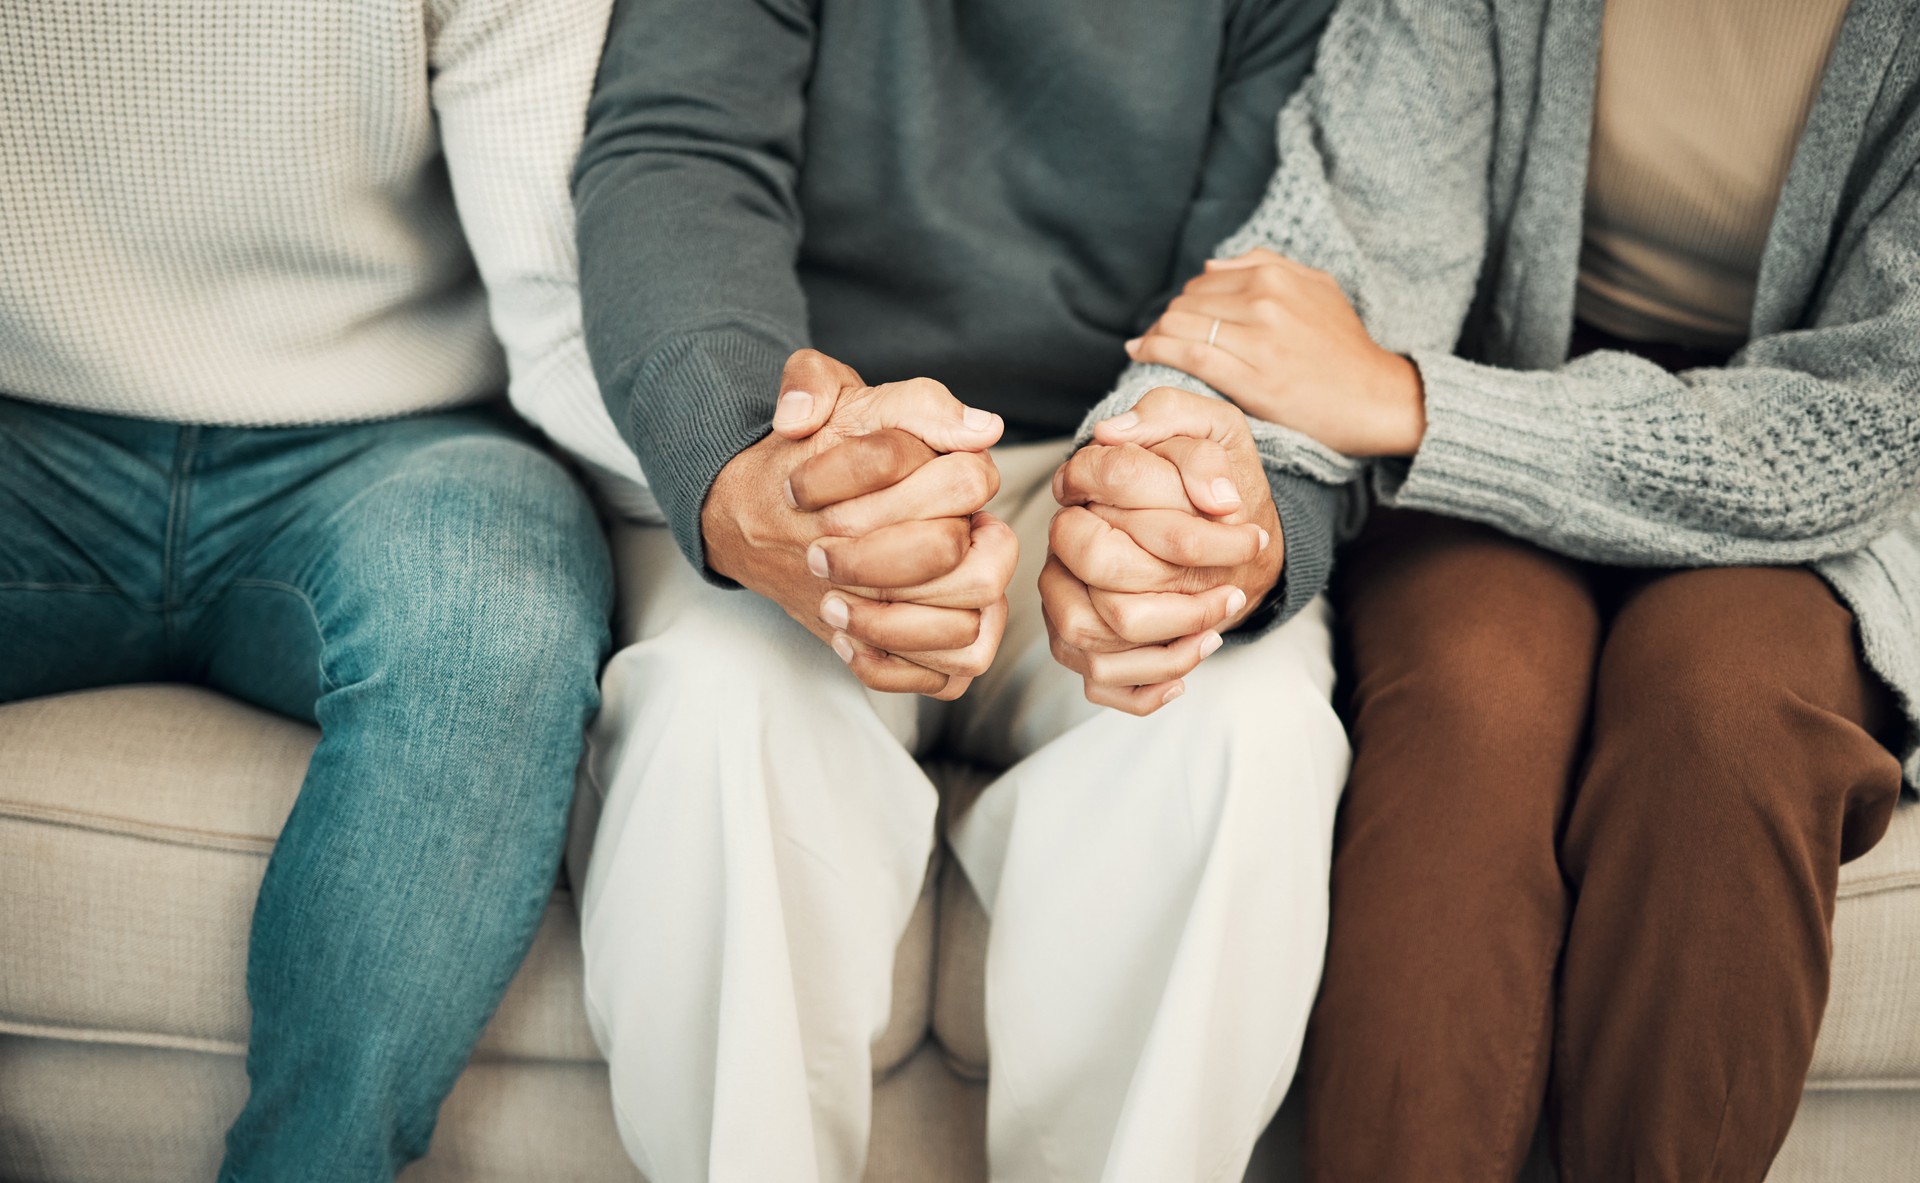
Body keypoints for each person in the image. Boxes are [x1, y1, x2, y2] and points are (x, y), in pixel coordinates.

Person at [1119, 0, 1920, 1178]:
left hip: (1794, 505)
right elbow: (1338, 277)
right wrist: (1154, 481)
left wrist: (1415, 402)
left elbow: (1869, 420)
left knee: (1729, 716)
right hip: (1475, 446)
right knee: (1473, 698)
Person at [567, 0, 1353, 1179]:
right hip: (806, 427)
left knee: (1249, 730)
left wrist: (1201, 509)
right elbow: (682, 149)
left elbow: (1290, 257)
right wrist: (749, 471)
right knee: (712, 705)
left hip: (1121, 440)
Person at [0, 2, 641, 1178]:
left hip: (387, 438)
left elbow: (565, 305)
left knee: (494, 619)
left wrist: (755, 475)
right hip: (19, 430)